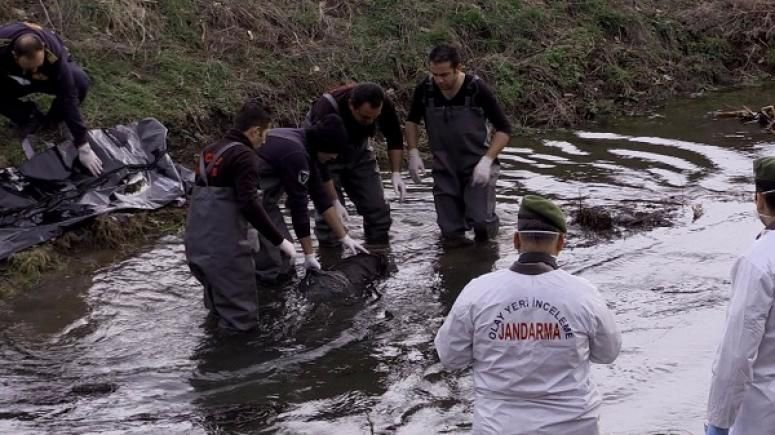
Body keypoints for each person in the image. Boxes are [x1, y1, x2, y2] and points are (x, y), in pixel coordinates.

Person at [434, 195, 622, 434]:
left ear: (515, 241)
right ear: (561, 243)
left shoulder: (478, 291)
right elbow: (608, 353)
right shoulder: (584, 294)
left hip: (498, 427)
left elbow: (451, 357)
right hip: (573, 426)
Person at [184, 100, 296, 332]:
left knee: (216, 311)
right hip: (226, 252)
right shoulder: (244, 156)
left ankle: (211, 361)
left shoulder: (210, 150)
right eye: (264, 135)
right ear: (254, 131)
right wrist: (280, 240)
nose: (264, 142)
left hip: (198, 247)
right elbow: (249, 203)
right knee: (241, 322)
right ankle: (236, 365)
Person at [405, 44, 512, 243]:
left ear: (458, 68)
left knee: (481, 224)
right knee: (450, 232)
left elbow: (504, 129)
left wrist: (487, 160)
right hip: (444, 166)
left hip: (476, 165)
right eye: (435, 74)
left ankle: (486, 260)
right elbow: (412, 121)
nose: (439, 80)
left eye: (444, 75)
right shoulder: (425, 89)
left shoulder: (476, 88)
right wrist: (413, 152)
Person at [704, 157, 775, 435]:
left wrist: (718, 421)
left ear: (759, 199)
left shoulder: (759, 261)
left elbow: (737, 353)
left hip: (763, 414)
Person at [254, 114, 368, 283]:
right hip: (245, 199)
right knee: (277, 261)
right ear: (324, 146)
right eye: (334, 153)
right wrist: (309, 254)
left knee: (284, 255)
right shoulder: (296, 154)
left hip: (263, 201)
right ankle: (268, 301)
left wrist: (344, 237)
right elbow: (298, 206)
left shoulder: (305, 143)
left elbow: (320, 197)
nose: (334, 158)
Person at [304, 82, 405, 245]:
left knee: (378, 212)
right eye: (365, 117)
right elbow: (317, 165)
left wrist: (396, 173)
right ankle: (331, 262)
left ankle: (379, 257)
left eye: (375, 118)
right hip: (325, 157)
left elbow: (394, 135)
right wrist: (334, 201)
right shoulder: (326, 108)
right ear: (351, 105)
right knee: (330, 222)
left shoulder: (382, 102)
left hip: (359, 153)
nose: (371, 121)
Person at [0, 22, 101, 175]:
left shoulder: (54, 52)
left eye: (38, 64)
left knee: (79, 82)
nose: (35, 70)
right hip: (13, 77)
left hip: (48, 78)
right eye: (30, 66)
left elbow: (68, 95)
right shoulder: (2, 44)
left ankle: (54, 119)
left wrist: (82, 144)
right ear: (14, 55)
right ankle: (28, 116)